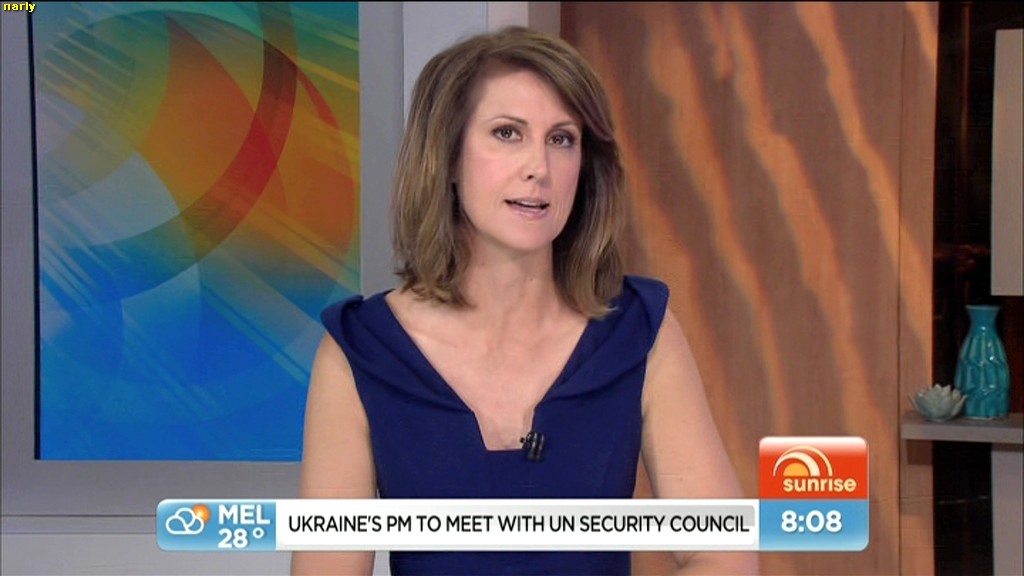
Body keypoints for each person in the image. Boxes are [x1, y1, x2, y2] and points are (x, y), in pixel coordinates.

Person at [292, 26, 758, 576]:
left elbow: (723, 555)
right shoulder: (361, 353)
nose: (539, 166)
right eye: (508, 133)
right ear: (447, 157)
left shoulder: (639, 333)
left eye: (562, 139)